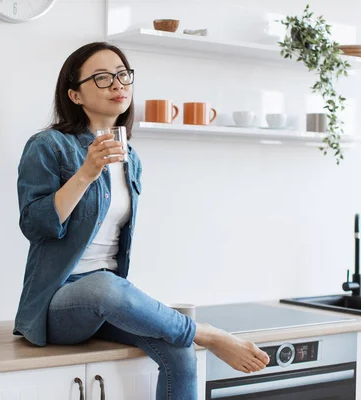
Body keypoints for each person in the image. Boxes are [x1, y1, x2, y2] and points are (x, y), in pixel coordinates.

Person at [14, 41, 270, 399]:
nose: (118, 85)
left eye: (122, 75)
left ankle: (190, 334)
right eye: (102, 78)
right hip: (58, 302)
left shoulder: (130, 157)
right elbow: (35, 225)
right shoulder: (49, 145)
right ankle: (208, 334)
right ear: (74, 94)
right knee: (105, 287)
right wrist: (86, 172)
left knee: (177, 349)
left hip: (110, 298)